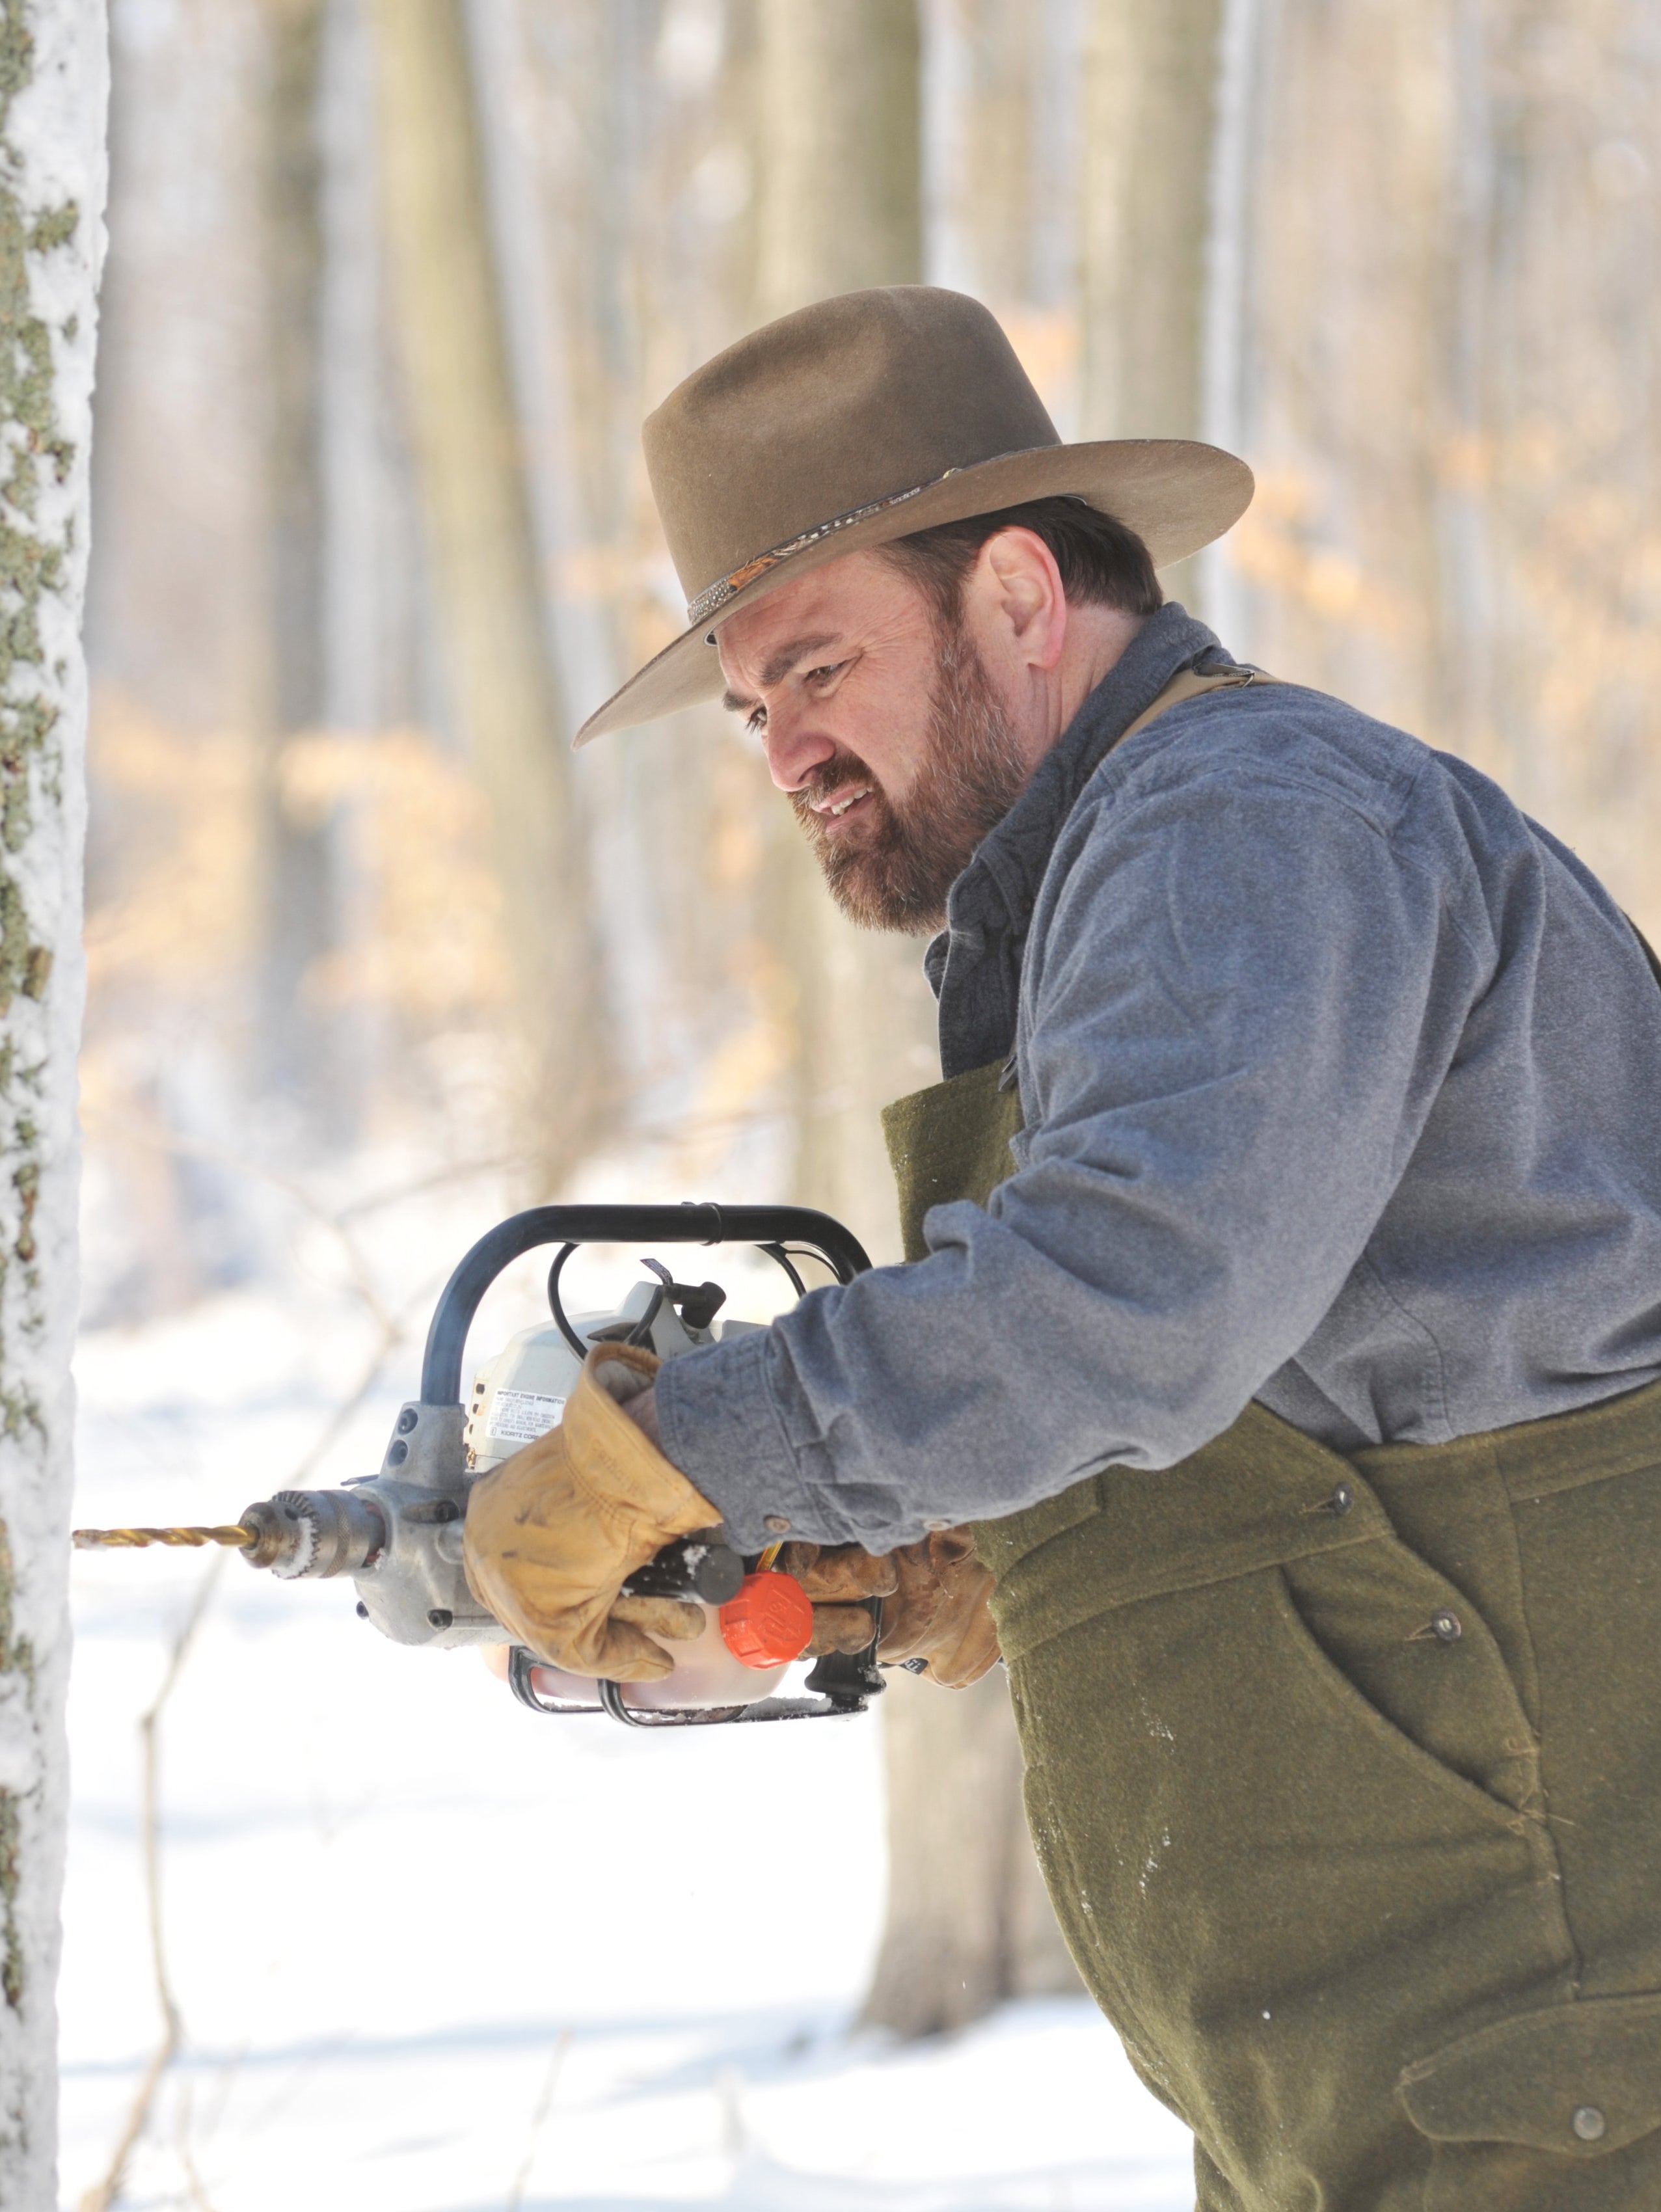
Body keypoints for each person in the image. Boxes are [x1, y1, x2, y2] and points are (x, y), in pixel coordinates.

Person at [463, 287, 1661, 2209]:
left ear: (1016, 594)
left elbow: (1129, 1305)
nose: (785, 753)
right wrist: (993, 1569)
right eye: (752, 708)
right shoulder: (1111, 884)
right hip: (1417, 2069)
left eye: (820, 666)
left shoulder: (1240, 821)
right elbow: (1336, 1394)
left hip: (1562, 2047)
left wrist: (678, 1449)